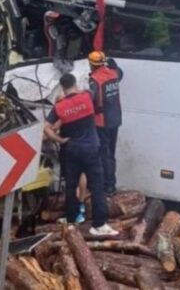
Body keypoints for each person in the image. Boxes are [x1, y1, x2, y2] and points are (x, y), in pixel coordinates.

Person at [44, 73, 118, 236]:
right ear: (74, 83)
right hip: (91, 149)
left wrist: (59, 140)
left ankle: (72, 221)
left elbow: (47, 127)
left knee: (71, 186)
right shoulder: (86, 97)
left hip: (71, 150)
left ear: (62, 87)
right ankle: (99, 224)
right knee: (97, 186)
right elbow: (88, 90)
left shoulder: (59, 107)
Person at [88, 51, 123, 195]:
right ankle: (110, 184)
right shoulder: (113, 73)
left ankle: (108, 185)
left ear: (91, 64)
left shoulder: (95, 80)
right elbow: (120, 73)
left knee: (104, 154)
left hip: (102, 121)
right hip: (115, 118)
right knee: (111, 153)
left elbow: (92, 99)